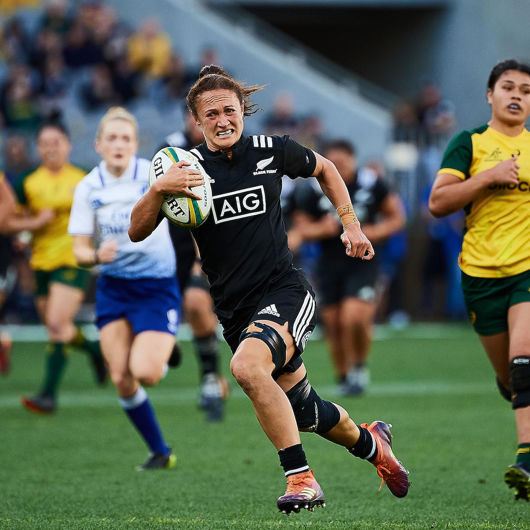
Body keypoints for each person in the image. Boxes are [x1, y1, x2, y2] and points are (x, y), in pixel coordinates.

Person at [129, 65, 410, 512]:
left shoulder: (271, 150)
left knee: (245, 367)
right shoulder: (184, 168)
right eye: (211, 114)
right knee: (306, 410)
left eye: (229, 110)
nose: (222, 120)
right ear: (196, 122)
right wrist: (158, 190)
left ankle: (302, 480)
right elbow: (136, 230)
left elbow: (327, 169)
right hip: (235, 310)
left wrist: (351, 225)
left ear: (243, 111)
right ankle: (374, 445)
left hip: (286, 291)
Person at [428, 59, 530, 501]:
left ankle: (527, 458)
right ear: (490, 95)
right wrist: (488, 177)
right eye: (508, 87)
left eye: (526, 90)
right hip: (480, 274)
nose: (517, 96)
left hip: (527, 270)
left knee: (525, 362)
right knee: (511, 379)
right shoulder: (469, 143)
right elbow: (438, 202)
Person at [68, 107, 180, 470]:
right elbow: (80, 250)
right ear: (98, 144)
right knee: (121, 379)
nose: (119, 144)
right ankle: (160, 452)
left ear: (136, 143)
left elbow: (190, 211)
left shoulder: (153, 175)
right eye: (112, 138)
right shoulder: (88, 187)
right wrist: (96, 255)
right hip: (114, 288)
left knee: (145, 372)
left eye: (126, 138)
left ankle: (162, 349)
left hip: (155, 286)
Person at [288, 140, 405, 395]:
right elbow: (300, 227)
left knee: (354, 316)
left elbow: (397, 217)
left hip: (363, 261)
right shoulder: (311, 189)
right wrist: (324, 229)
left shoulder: (371, 183)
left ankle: (360, 366)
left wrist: (372, 231)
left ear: (353, 160)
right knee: (333, 322)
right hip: (329, 263)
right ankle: (344, 376)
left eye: (343, 162)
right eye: (334, 163)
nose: (338, 168)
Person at [7, 122, 106, 413]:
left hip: (72, 259)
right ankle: (96, 351)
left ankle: (47, 396)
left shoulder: (82, 178)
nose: (51, 148)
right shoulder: (27, 181)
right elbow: (14, 220)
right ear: (38, 148)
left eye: (56, 142)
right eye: (45, 143)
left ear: (68, 145)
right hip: (40, 262)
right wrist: (29, 228)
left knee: (55, 325)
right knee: (59, 328)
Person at [160, 110, 228, 422]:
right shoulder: (169, 150)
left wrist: (201, 259)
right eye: (194, 114)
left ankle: (211, 380)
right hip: (173, 246)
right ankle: (166, 343)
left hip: (211, 241)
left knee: (197, 302)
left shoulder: (224, 147)